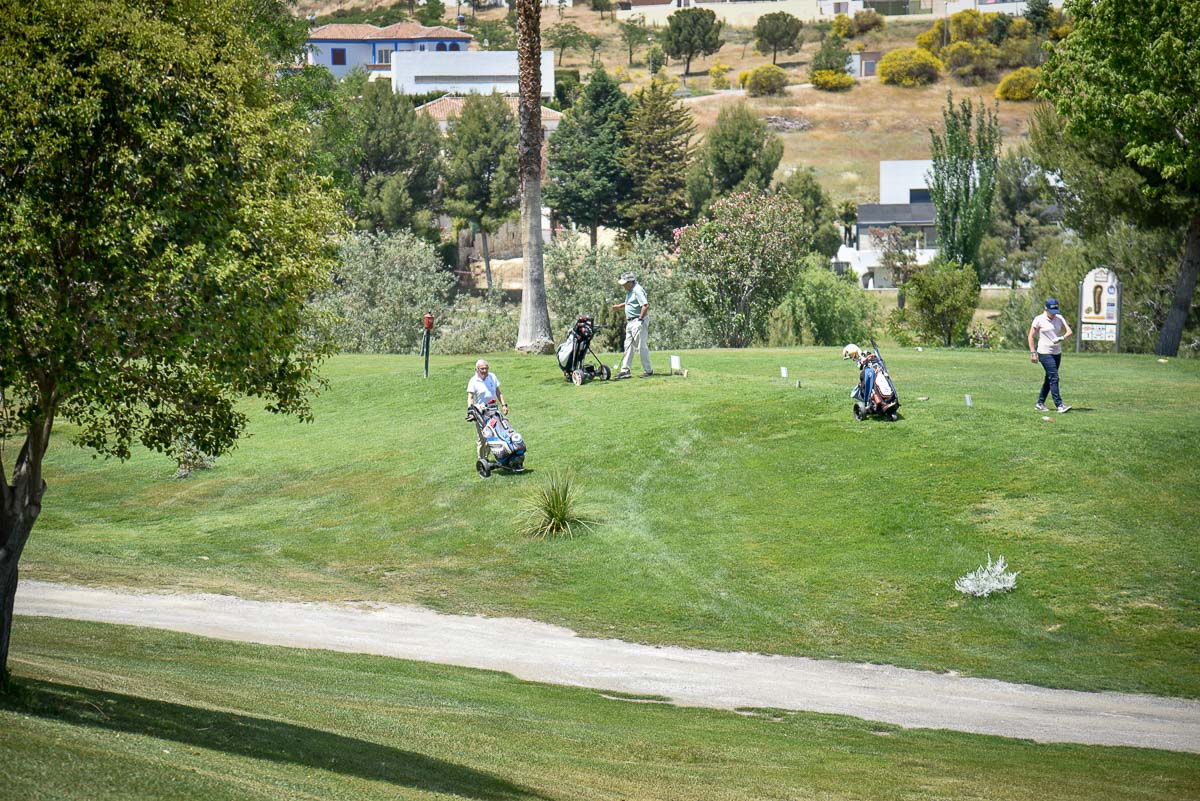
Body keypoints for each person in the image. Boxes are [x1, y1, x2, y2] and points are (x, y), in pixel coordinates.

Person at [1028, 297, 1073, 413]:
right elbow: (1031, 336)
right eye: (1051, 312)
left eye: (1055, 312)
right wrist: (1033, 352)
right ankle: (1059, 405)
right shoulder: (1039, 319)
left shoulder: (1059, 318)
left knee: (1049, 379)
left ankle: (1040, 403)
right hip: (1044, 352)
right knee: (1054, 377)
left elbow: (1069, 331)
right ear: (1045, 308)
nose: (1053, 315)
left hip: (1057, 352)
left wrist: (1061, 338)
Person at [612, 271, 651, 378]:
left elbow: (645, 305)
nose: (623, 285)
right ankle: (625, 371)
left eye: (625, 283)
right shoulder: (631, 290)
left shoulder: (637, 290)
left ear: (630, 282)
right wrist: (620, 306)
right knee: (628, 345)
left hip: (638, 321)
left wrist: (640, 319)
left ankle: (648, 370)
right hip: (630, 322)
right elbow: (631, 303)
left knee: (641, 346)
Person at [467, 359, 507, 461]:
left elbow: (498, 392)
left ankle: (487, 457)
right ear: (476, 369)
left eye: (486, 368)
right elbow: (470, 397)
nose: (485, 370)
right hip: (481, 412)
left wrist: (504, 405)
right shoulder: (473, 381)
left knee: (494, 435)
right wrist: (471, 411)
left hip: (493, 410)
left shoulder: (492, 377)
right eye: (482, 369)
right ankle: (482, 460)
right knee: (483, 438)